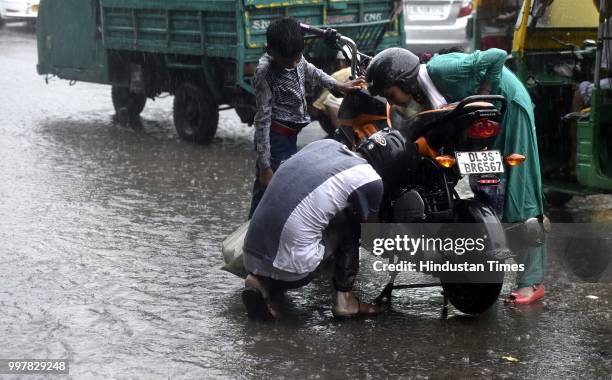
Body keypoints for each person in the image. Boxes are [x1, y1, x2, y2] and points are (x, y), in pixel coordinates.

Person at [366, 47, 546, 304]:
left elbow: (496, 55)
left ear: (404, 80)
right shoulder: (425, 89)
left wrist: (484, 95)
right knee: (488, 188)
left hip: (510, 106)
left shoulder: (441, 70)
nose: (392, 102)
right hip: (480, 117)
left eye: (391, 94)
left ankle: (533, 282)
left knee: (521, 190)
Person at [241, 130, 417, 320]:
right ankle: (345, 301)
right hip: (294, 270)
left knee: (320, 213)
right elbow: (372, 236)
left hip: (250, 255)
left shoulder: (326, 145)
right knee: (350, 220)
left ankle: (261, 283)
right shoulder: (370, 179)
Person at [249, 17, 365, 218]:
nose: (294, 64)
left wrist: (337, 85)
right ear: (270, 51)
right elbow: (262, 120)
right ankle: (251, 236)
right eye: (288, 61)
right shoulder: (265, 73)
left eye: (298, 57)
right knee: (269, 189)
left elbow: (311, 71)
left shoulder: (294, 58)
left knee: (282, 188)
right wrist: (265, 166)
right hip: (276, 137)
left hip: (290, 135)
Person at [310, 49, 353, 134]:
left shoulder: (337, 75)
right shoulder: (362, 71)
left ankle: (341, 134)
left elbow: (317, 107)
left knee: (329, 100)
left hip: (346, 117)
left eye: (337, 62)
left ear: (341, 62)